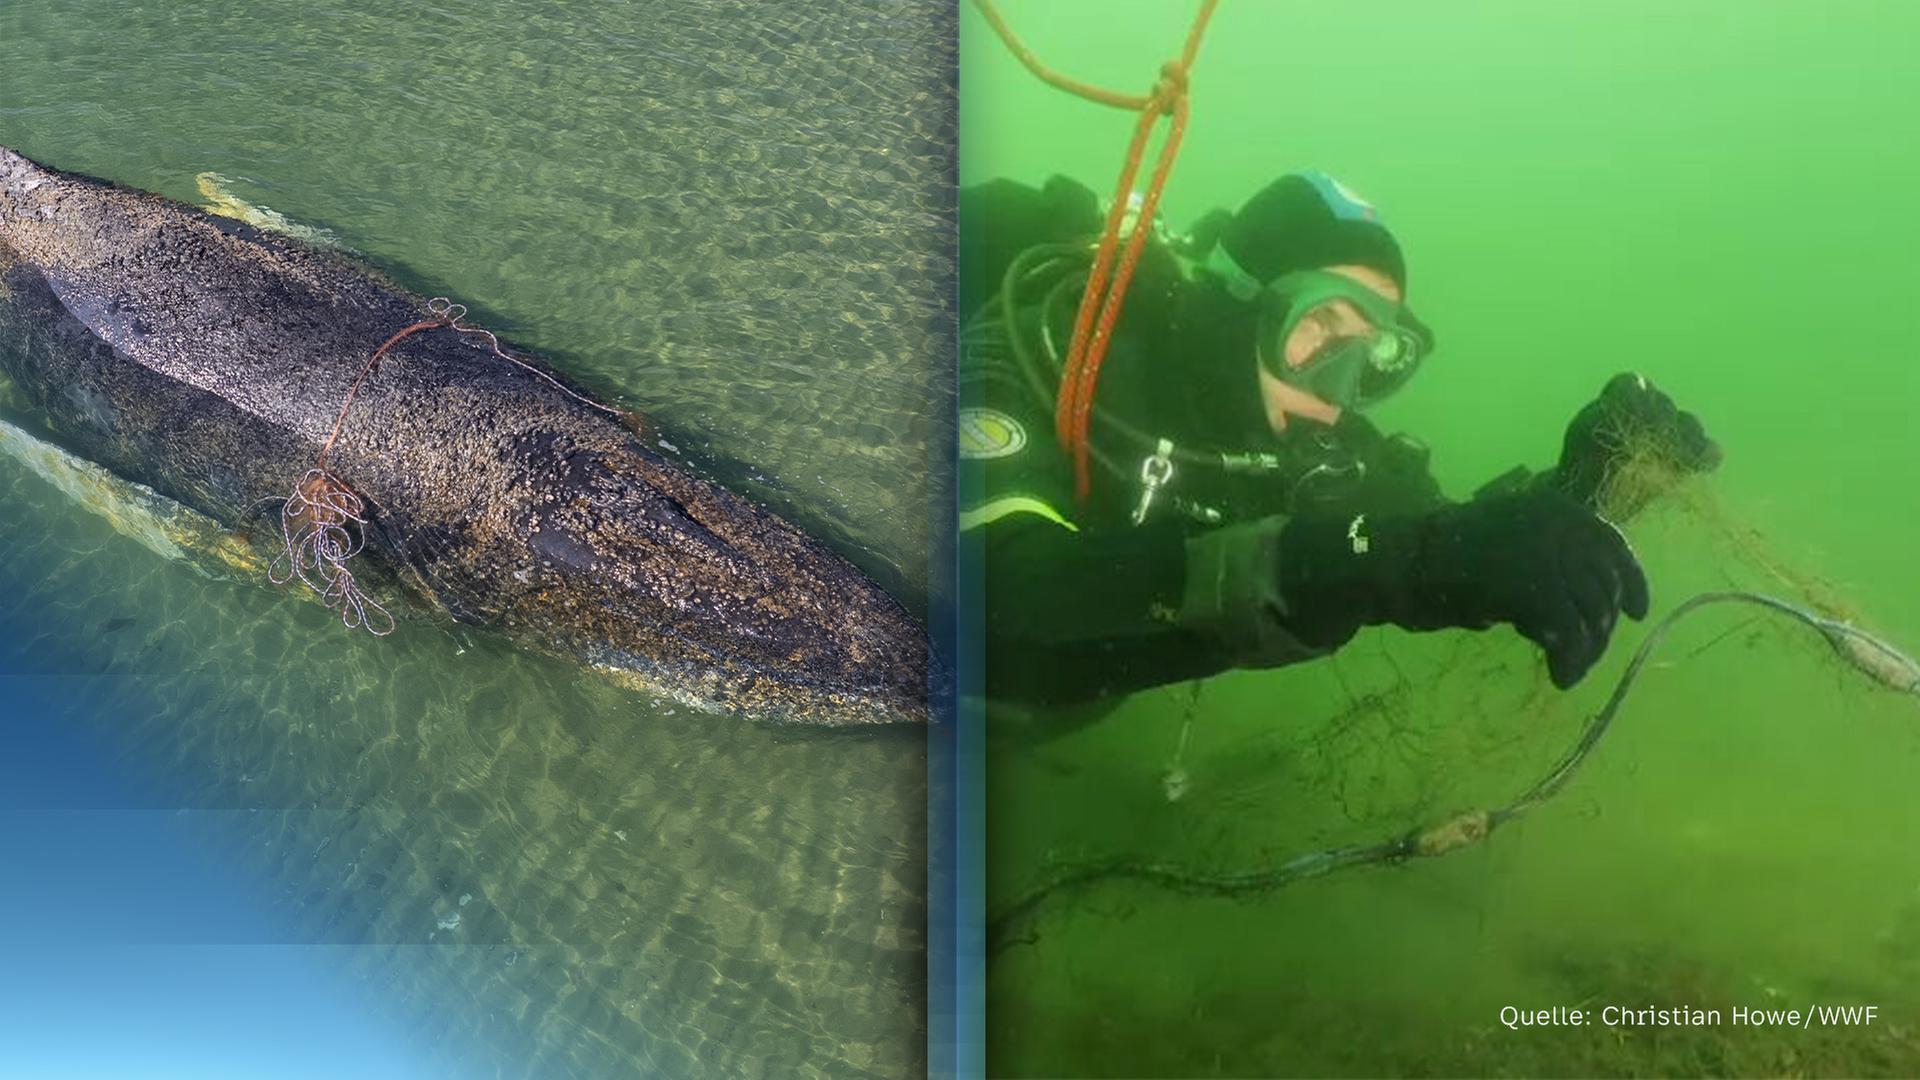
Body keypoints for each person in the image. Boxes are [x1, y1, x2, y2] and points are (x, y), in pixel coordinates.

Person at [959, 170, 1721, 707]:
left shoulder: (1320, 450)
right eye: (1320, 326)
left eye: (1371, 355)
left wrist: (1587, 492)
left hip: (1059, 711)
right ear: (1238, 303)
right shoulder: (1049, 348)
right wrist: (1368, 557)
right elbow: (994, 587)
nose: (1338, 389)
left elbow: (1452, 549)